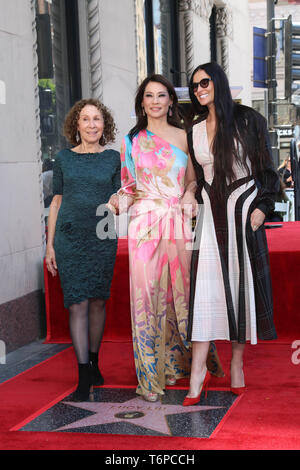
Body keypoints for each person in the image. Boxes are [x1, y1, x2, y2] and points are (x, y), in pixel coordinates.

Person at [108, 74, 223, 402]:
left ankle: (183, 365)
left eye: (162, 95)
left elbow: (192, 181)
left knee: (183, 294)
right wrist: (117, 202)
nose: (155, 101)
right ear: (141, 102)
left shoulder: (186, 136)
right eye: (149, 96)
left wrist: (189, 195)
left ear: (171, 101)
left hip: (178, 223)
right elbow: (128, 186)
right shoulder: (130, 141)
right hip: (143, 224)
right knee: (146, 299)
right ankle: (150, 376)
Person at [183, 62, 279, 406]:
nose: (199, 89)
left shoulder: (249, 119)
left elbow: (267, 169)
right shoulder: (193, 128)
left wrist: (262, 210)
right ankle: (197, 374)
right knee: (204, 294)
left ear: (219, 82)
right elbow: (195, 177)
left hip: (243, 212)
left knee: (241, 291)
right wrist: (189, 194)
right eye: (194, 86)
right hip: (209, 216)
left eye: (204, 82)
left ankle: (237, 364)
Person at [45, 98, 120, 401]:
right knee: (77, 303)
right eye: (85, 119)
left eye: (97, 119)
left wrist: (118, 200)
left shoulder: (113, 158)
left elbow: (120, 193)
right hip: (69, 238)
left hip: (102, 236)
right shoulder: (63, 159)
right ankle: (83, 374)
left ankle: (95, 360)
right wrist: (49, 245)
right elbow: (57, 201)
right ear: (76, 124)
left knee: (98, 302)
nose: (91, 125)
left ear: (105, 125)